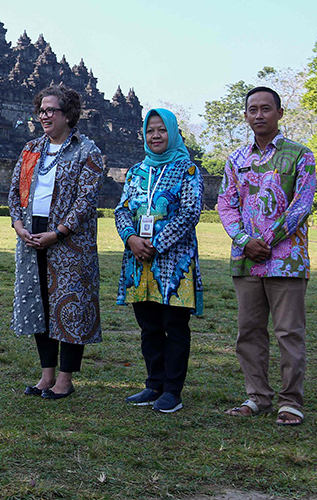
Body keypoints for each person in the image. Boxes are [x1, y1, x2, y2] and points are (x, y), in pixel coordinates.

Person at [217, 86, 316, 425]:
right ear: (245, 115)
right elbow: (225, 204)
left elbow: (301, 205)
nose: (259, 115)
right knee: (249, 330)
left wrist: (269, 239)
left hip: (286, 258)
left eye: (266, 109)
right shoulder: (236, 159)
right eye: (252, 110)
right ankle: (257, 396)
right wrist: (245, 239)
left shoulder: (300, 155)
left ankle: (291, 401)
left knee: (288, 331)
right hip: (246, 258)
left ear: (279, 113)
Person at [9, 84, 104, 400]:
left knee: (70, 304)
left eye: (51, 110)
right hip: (32, 234)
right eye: (42, 110)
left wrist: (60, 232)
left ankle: (65, 379)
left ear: (69, 115)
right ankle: (46, 375)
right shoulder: (31, 149)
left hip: (68, 240)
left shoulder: (87, 151)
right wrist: (19, 226)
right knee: (40, 304)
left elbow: (85, 200)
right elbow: (15, 192)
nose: (44, 115)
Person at [115, 108, 203, 414]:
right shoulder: (137, 171)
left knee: (174, 325)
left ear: (173, 133)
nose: (155, 136)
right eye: (150, 130)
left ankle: (173, 391)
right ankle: (154, 384)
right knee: (149, 325)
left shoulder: (187, 170)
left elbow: (190, 212)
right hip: (139, 261)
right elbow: (122, 208)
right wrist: (131, 238)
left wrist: (157, 243)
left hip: (173, 262)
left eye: (161, 130)